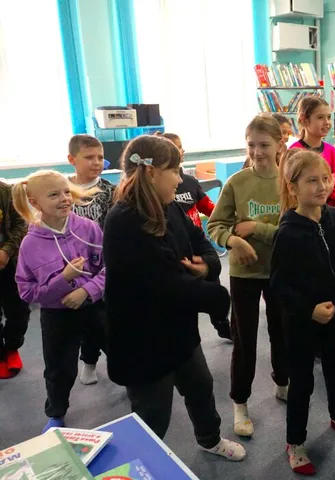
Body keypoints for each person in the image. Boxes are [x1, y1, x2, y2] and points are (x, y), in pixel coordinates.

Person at [103, 135, 245, 462]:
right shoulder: (124, 221)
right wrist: (219, 295)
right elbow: (166, 285)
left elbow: (200, 240)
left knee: (200, 386)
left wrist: (207, 265)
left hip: (178, 329)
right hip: (143, 342)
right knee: (152, 414)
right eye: (175, 171)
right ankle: (139, 465)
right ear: (152, 172)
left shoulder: (169, 206)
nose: (180, 180)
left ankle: (209, 439)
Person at [270, 150, 335, 475]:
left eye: (326, 178)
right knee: (302, 382)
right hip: (300, 319)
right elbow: (279, 285)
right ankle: (295, 442)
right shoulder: (288, 232)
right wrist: (308, 310)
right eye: (312, 180)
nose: (322, 186)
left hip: (332, 311)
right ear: (293, 187)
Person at [207, 115, 288, 437]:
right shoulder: (236, 182)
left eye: (264, 145)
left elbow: (296, 231)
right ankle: (240, 402)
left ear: (280, 144)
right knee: (244, 339)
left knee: (282, 331)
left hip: (280, 270)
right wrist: (233, 240)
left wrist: (257, 228)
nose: (257, 152)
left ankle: (283, 382)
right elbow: (216, 224)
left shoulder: (289, 181)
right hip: (244, 274)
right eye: (251, 145)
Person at [12, 170, 106, 433]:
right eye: (54, 195)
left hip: (96, 304)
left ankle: (138, 393)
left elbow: (110, 267)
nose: (64, 198)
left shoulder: (88, 228)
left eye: (66, 192)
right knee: (59, 369)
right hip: (58, 315)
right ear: (35, 202)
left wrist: (87, 290)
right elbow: (27, 292)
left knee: (122, 349)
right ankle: (56, 413)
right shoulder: (30, 244)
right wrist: (63, 280)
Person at [156, 131, 232, 340]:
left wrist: (227, 220)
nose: (177, 151)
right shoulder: (158, 195)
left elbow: (208, 207)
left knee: (212, 286)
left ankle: (222, 324)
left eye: (178, 147)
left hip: (197, 246)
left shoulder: (189, 182)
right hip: (177, 252)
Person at [67, 134, 114, 385]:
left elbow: (115, 227)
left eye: (100, 157)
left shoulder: (110, 191)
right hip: (73, 267)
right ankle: (89, 361)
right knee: (86, 320)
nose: (96, 162)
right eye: (89, 157)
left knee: (107, 320)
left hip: (105, 265)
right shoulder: (63, 190)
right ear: (72, 159)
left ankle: (120, 364)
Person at [288, 96, 335, 212]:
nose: (327, 122)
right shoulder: (294, 151)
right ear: (304, 120)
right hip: (302, 211)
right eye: (320, 117)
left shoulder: (331, 151)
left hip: (327, 212)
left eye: (329, 117)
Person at [0, 180, 28, 379]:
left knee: (18, 311)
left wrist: (6, 251)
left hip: (10, 264)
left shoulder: (6, 191)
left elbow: (21, 224)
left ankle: (11, 348)